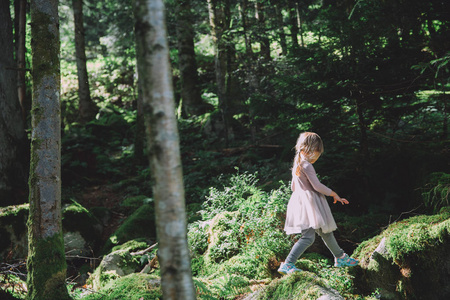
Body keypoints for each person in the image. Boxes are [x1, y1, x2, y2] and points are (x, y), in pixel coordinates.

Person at [278, 132, 358, 275]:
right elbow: (317, 186)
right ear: (308, 149)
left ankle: (340, 257)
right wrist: (334, 194)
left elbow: (293, 187)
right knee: (308, 237)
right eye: (316, 152)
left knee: (326, 232)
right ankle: (288, 263)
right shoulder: (306, 165)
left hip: (302, 203)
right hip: (309, 204)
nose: (317, 156)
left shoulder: (298, 164)